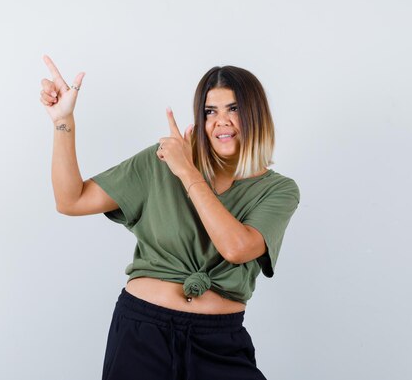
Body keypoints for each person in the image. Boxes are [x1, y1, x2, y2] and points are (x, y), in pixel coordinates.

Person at [39, 54, 300, 380]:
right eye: (210, 111)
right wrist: (64, 123)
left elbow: (236, 247)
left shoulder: (278, 190)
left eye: (233, 109)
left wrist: (186, 171)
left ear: (256, 115)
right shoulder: (161, 160)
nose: (221, 121)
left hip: (220, 343)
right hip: (143, 333)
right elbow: (71, 200)